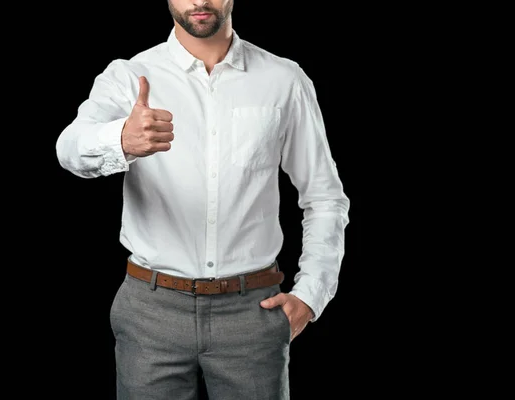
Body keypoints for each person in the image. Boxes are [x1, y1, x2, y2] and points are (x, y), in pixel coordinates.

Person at [55, 0, 350, 398]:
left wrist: (311, 295)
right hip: (150, 313)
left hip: (253, 314)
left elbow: (325, 197)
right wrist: (120, 139)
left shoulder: (284, 79)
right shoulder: (129, 75)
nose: (198, 1)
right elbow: (69, 148)